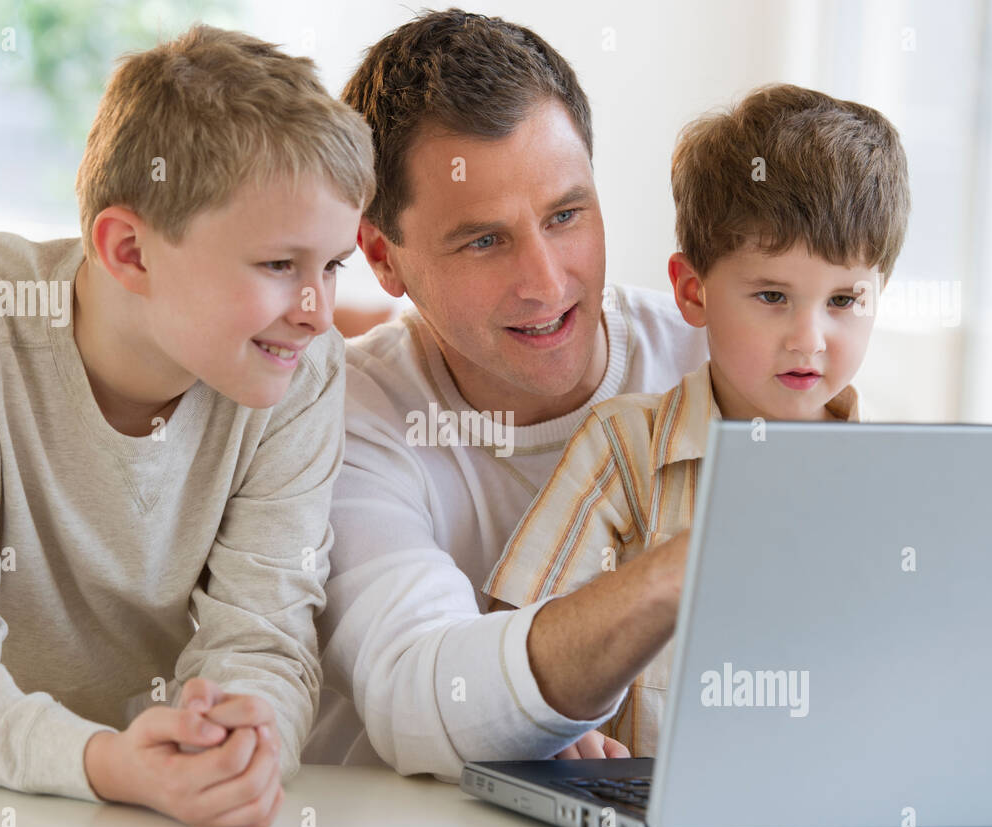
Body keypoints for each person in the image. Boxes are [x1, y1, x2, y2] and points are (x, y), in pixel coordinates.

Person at [0, 25, 373, 827]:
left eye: (333, 266)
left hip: (127, 786)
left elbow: (265, 634)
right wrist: (109, 765)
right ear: (130, 250)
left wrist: (237, 748)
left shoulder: (302, 375)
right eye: (281, 266)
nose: (317, 313)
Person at [302, 9, 708, 779]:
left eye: (566, 215)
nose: (548, 284)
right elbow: (419, 692)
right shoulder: (347, 416)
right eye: (485, 240)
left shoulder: (711, 359)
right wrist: (673, 573)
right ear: (384, 258)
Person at [486, 83, 912, 755]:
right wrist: (563, 731)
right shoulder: (626, 448)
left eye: (844, 300)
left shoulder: (902, 480)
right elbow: (513, 645)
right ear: (693, 291)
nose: (810, 339)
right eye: (772, 296)